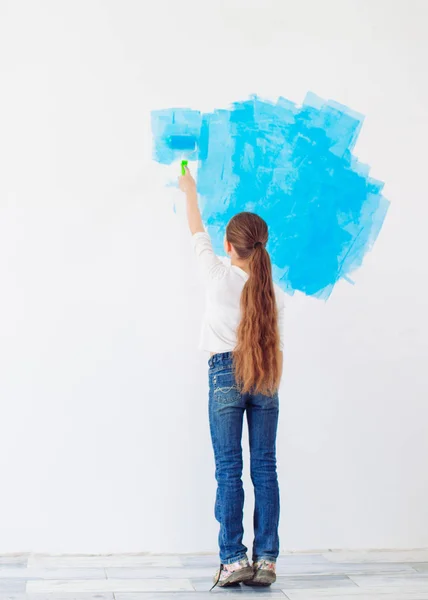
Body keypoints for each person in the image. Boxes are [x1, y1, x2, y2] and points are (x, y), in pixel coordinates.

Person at [178, 166, 285, 590]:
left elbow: (195, 230)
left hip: (224, 372)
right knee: (265, 468)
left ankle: (233, 559)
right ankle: (268, 561)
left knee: (229, 469)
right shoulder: (269, 290)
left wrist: (189, 189)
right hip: (264, 375)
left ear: (229, 246)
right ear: (262, 245)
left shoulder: (217, 275)